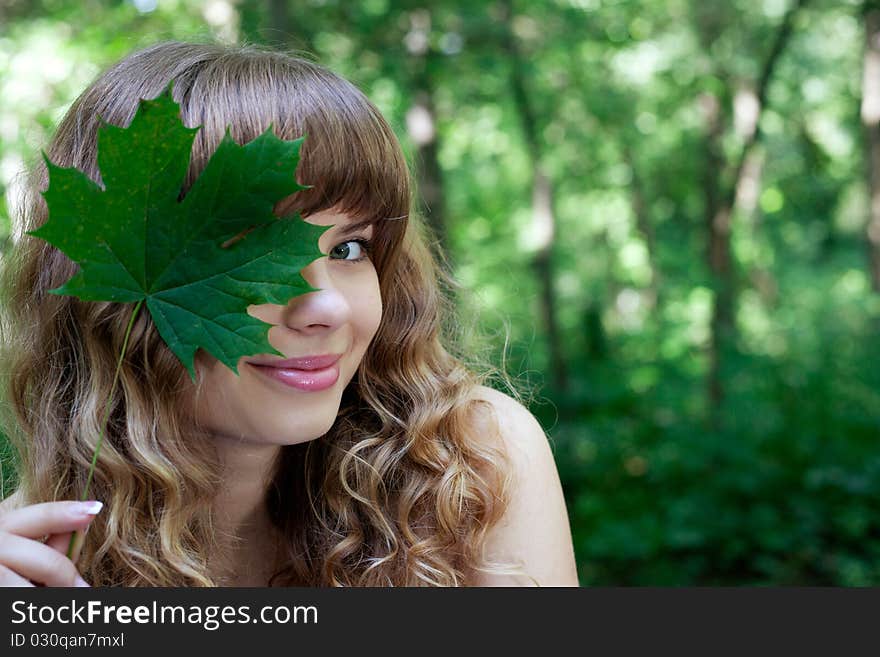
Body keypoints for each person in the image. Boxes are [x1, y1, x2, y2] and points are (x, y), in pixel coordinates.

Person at [0, 41, 577, 587]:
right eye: (251, 249)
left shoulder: (472, 468)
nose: (326, 307)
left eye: (349, 249)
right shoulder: (27, 563)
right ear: (110, 284)